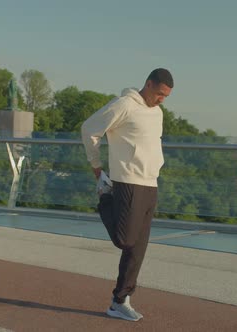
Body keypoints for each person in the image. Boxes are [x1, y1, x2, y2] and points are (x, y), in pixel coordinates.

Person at [81, 68, 173, 321]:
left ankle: (120, 301)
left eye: (166, 96)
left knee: (137, 250)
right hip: (127, 182)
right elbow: (89, 129)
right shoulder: (124, 105)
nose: (161, 99)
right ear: (148, 84)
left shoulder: (158, 113)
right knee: (125, 240)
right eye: (159, 93)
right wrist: (97, 168)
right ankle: (105, 197)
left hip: (150, 184)